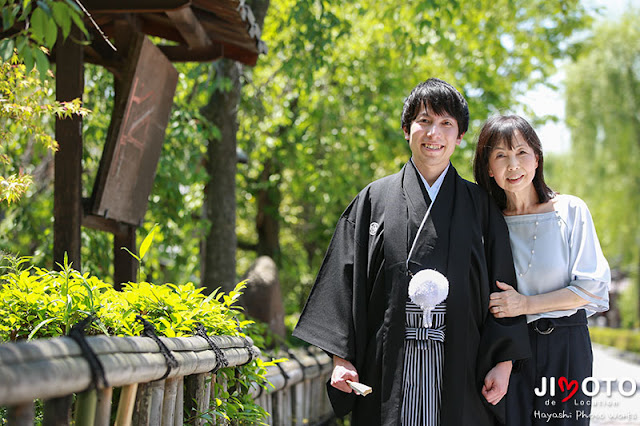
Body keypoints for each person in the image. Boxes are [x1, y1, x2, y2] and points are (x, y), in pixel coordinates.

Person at [293, 78, 530, 425]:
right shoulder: (374, 200)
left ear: (460, 136)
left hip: (463, 368)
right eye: (425, 121)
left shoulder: (479, 206)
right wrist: (341, 360)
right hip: (388, 365)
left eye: (446, 123)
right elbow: (341, 284)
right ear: (407, 130)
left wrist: (504, 361)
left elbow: (503, 289)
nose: (434, 133)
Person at [473, 115, 610, 425]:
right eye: (500, 156)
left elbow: (591, 287)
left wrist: (526, 304)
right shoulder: (486, 225)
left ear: (537, 158)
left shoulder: (570, 210)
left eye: (521, 152)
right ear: (488, 170)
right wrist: (502, 357)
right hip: (509, 352)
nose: (513, 165)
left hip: (566, 346)